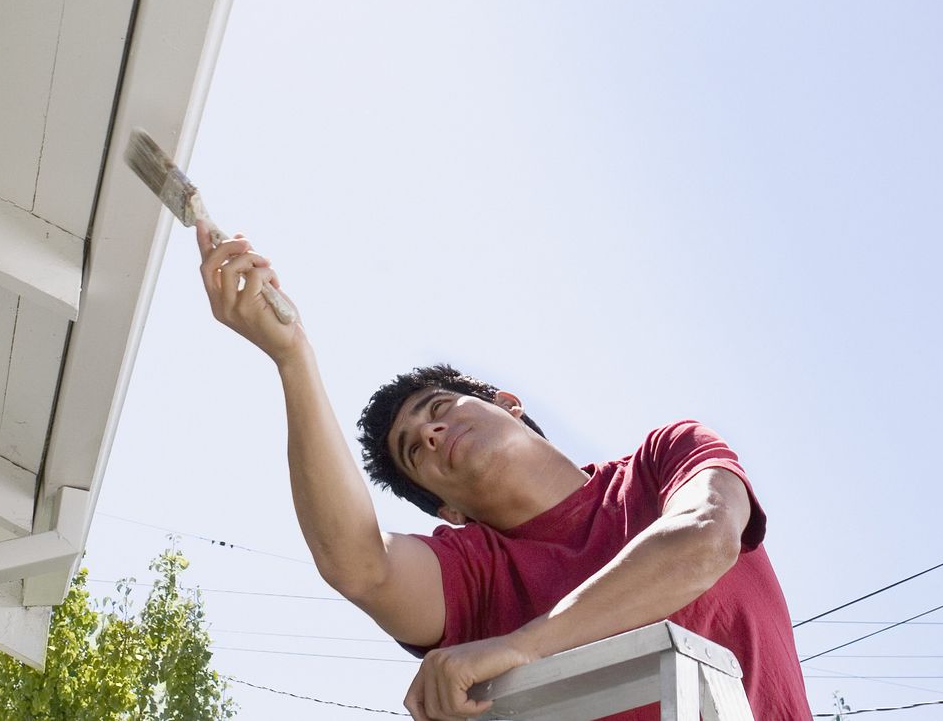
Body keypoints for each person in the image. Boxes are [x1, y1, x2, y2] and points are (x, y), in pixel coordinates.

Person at [195, 223, 813, 720]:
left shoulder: (665, 460)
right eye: (415, 451)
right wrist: (292, 356)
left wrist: (522, 647)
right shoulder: (480, 576)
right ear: (449, 512)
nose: (432, 433)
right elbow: (358, 566)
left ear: (506, 403)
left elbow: (706, 538)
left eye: (437, 409)